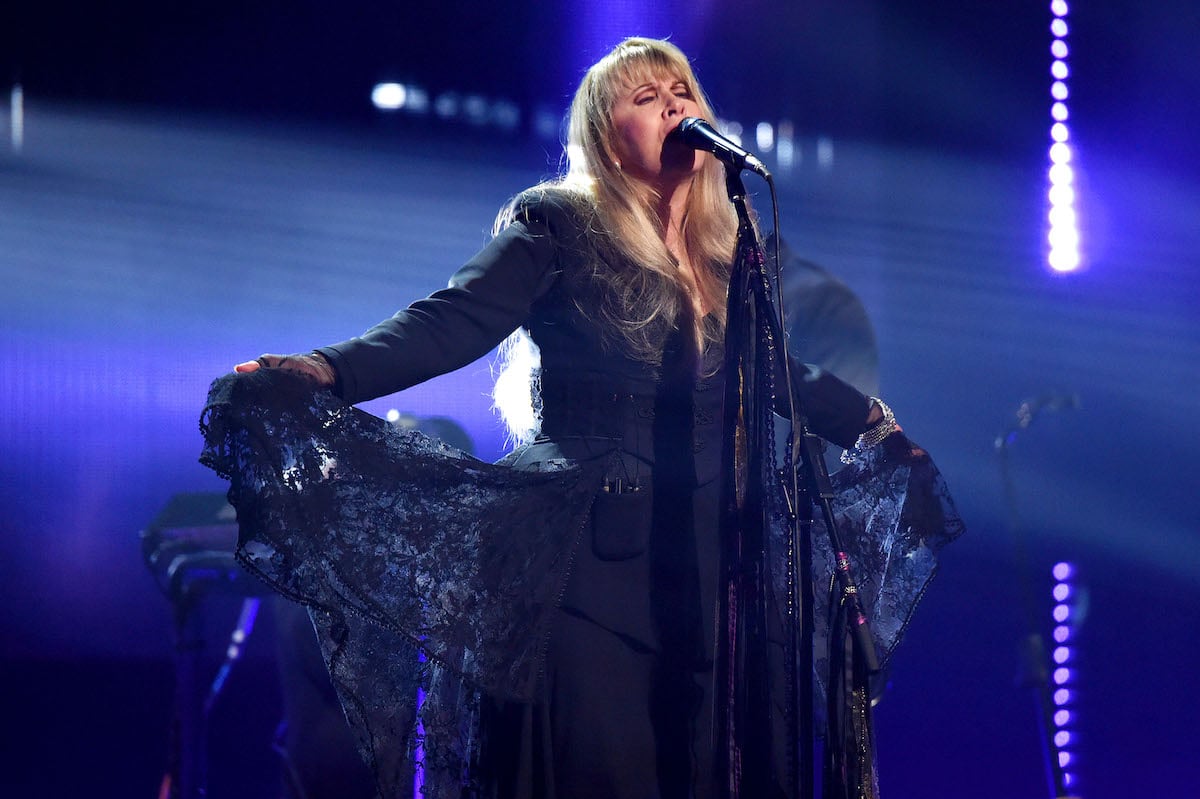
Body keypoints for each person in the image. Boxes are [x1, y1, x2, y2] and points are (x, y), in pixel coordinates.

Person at [202, 37, 961, 799]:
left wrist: (874, 425)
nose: (673, 104)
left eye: (681, 90)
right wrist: (331, 368)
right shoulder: (559, 226)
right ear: (605, 138)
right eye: (645, 97)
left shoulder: (729, 259)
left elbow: (779, 379)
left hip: (701, 581)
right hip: (581, 574)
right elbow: (452, 319)